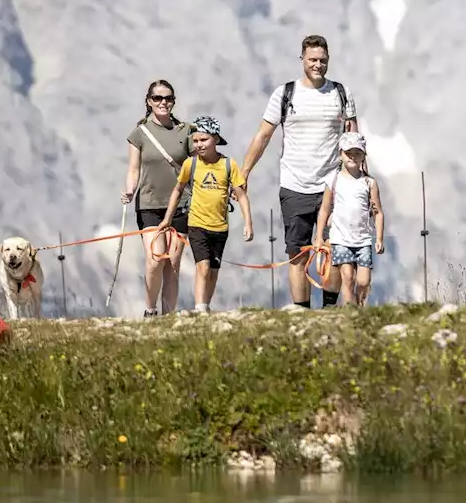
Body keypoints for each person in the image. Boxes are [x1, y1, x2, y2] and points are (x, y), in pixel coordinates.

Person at [241, 34, 358, 310]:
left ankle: (329, 309)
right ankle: (302, 313)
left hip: (333, 185)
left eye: (323, 60)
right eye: (313, 60)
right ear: (302, 59)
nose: (318, 65)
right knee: (298, 254)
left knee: (334, 252)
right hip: (295, 186)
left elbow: (353, 137)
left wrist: (362, 179)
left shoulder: (341, 93)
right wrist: (244, 172)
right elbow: (264, 135)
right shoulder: (285, 94)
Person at [156, 115, 253, 315]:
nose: (199, 144)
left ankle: (206, 306)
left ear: (216, 139)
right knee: (203, 267)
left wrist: (248, 223)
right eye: (196, 140)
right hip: (197, 224)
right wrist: (167, 218)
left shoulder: (229, 165)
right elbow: (178, 190)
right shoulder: (190, 165)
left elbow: (242, 196)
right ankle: (200, 309)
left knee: (214, 272)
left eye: (204, 140)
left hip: (220, 227)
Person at [120, 80, 191, 318]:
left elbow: (198, 163)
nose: (163, 103)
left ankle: (169, 316)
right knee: (154, 260)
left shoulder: (185, 131)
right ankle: (150, 311)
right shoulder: (139, 134)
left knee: (172, 263)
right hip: (149, 204)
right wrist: (129, 190)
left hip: (181, 204)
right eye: (158, 98)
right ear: (149, 102)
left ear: (173, 101)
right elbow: (133, 169)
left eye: (168, 98)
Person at [317, 132, 385, 306]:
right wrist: (319, 238)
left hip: (362, 240)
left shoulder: (369, 183)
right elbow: (324, 209)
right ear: (340, 154)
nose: (353, 157)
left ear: (363, 156)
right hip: (340, 239)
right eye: (349, 153)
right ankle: (350, 315)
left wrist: (378, 238)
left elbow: (378, 212)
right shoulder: (333, 180)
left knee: (363, 282)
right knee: (347, 277)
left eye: (357, 153)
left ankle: (360, 309)